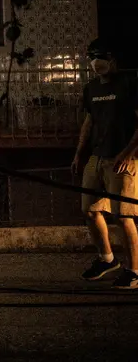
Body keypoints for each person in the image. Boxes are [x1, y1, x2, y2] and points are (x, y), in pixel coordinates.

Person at [72, 38, 138, 290]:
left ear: (113, 60)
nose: (97, 62)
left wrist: (128, 154)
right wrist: (79, 154)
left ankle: (134, 271)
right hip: (96, 158)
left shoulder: (129, 84)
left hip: (123, 159)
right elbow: (88, 123)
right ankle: (107, 259)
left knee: (124, 216)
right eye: (93, 57)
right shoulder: (90, 89)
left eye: (102, 57)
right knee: (89, 210)